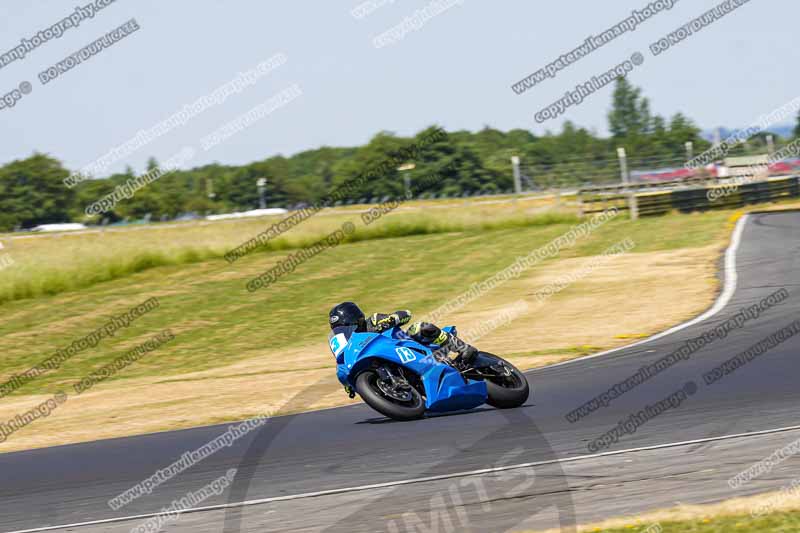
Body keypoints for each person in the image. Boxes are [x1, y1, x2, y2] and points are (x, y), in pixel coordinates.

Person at [328, 301, 478, 365]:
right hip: (390, 361)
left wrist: (392, 319)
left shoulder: (373, 321)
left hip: (408, 346)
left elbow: (406, 313)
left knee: (420, 327)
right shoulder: (350, 346)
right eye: (339, 328)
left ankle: (461, 347)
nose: (344, 330)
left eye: (344, 325)